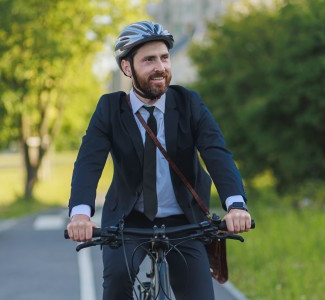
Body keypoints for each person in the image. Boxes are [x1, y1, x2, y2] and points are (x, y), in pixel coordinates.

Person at [67, 20, 252, 300]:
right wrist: (80, 213)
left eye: (165, 58)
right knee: (117, 284)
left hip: (184, 220)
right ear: (127, 67)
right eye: (149, 60)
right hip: (129, 222)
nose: (160, 67)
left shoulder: (189, 103)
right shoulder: (110, 109)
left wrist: (236, 205)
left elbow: (216, 153)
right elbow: (88, 162)